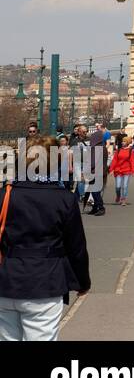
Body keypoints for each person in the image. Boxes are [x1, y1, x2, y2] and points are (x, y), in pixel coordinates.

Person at [0, 137, 92, 340]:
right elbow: (76, 247)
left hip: (6, 279)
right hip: (46, 280)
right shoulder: (64, 199)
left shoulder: (5, 195)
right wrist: (82, 281)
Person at [85, 125, 107, 217]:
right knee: (93, 190)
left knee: (95, 191)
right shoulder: (101, 147)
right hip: (99, 172)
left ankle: (101, 208)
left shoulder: (97, 149)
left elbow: (93, 162)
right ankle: (95, 208)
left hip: (96, 172)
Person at [109, 135, 134, 206]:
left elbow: (132, 161)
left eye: (124, 141)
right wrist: (111, 169)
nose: (122, 142)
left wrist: (133, 171)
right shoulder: (119, 150)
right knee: (118, 186)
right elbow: (114, 160)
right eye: (122, 141)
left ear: (128, 142)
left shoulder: (130, 151)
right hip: (118, 170)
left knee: (125, 186)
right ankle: (118, 196)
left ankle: (123, 199)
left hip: (127, 170)